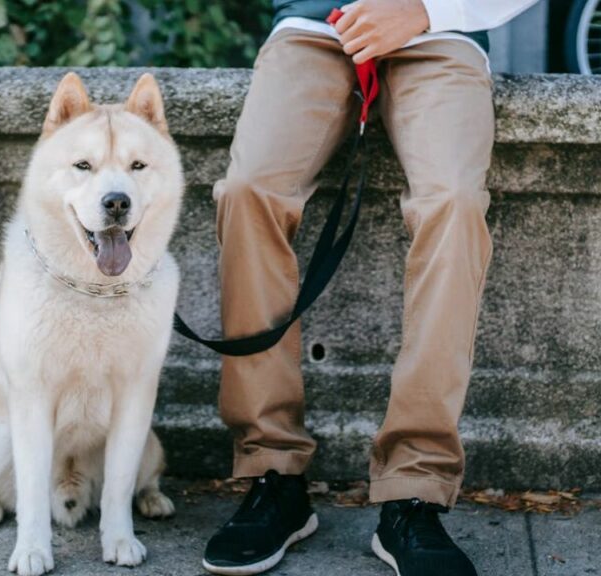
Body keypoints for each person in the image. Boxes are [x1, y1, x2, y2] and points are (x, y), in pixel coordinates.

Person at [202, 1, 539, 575]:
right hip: (313, 27)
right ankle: (272, 470)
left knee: (453, 204)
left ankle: (415, 489)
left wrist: (430, 9)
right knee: (248, 190)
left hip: (442, 32)